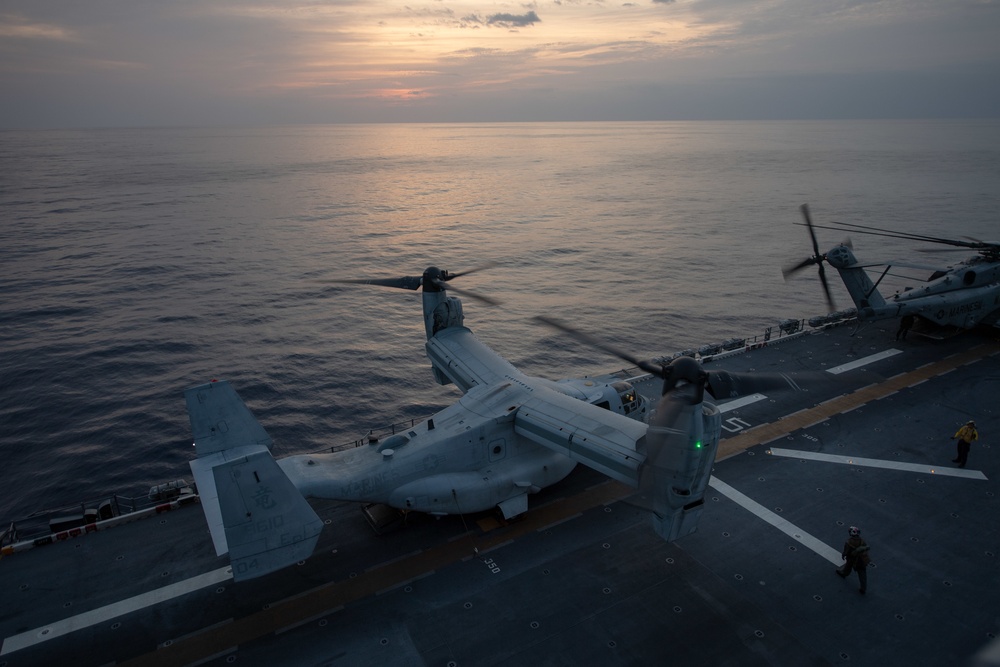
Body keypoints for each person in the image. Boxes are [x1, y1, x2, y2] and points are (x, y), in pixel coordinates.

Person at [836, 526, 870, 594]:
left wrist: (844, 555)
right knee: (862, 573)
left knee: (848, 566)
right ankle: (863, 588)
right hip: (862, 559)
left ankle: (844, 573)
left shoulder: (849, 542)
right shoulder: (861, 540)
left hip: (853, 558)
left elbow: (846, 551)